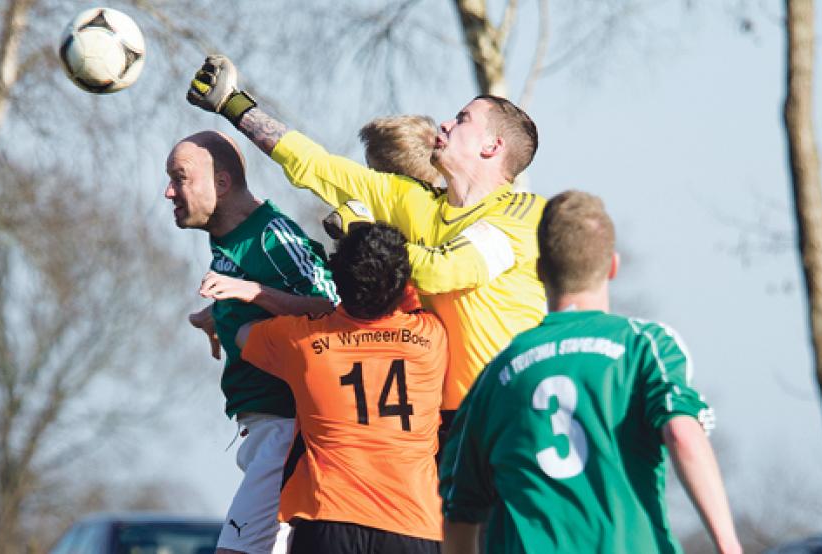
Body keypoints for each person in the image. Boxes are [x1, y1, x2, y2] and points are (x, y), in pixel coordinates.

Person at [186, 55, 546, 433]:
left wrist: (362, 229)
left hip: (513, 409)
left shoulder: (520, 214)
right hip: (446, 421)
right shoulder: (415, 200)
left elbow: (444, 271)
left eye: (462, 119)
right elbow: (316, 166)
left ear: (492, 146)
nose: (446, 123)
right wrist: (232, 104)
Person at [438, 191, 742, 554]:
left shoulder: (498, 371)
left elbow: (460, 510)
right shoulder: (644, 346)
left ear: (539, 271)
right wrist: (728, 544)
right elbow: (682, 433)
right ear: (613, 266)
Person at [165, 130, 339, 554]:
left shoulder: (272, 235)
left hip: (286, 426)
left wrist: (251, 295)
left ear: (221, 184)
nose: (169, 191)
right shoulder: (227, 237)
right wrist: (221, 316)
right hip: (264, 430)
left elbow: (331, 308)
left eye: (180, 178)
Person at [235, 222, 447, 554]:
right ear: (403, 281)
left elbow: (243, 333)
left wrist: (264, 295)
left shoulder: (303, 341)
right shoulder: (432, 337)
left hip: (329, 518)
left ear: (338, 281)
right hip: (414, 522)